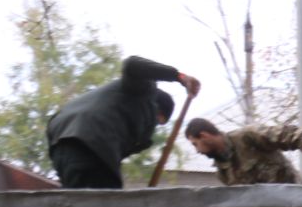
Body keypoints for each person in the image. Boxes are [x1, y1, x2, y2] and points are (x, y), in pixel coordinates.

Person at [46, 56, 200, 189]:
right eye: (158, 120)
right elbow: (132, 64)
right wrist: (179, 76)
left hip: (60, 147)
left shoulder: (114, 105)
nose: (153, 126)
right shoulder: (143, 90)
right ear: (157, 107)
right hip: (90, 146)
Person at [185, 117, 302, 185]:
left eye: (195, 144)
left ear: (204, 136)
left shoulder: (247, 137)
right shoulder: (223, 171)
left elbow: (293, 135)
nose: (197, 151)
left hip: (294, 204)